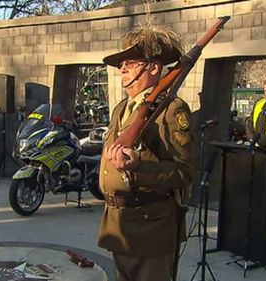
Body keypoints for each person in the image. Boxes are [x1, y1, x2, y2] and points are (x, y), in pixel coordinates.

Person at [97, 24, 193, 281]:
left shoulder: (171, 110)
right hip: (119, 225)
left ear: (153, 68)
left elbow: (183, 173)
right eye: (121, 64)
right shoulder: (121, 108)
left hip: (151, 227)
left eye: (130, 62)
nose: (122, 69)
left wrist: (138, 168)